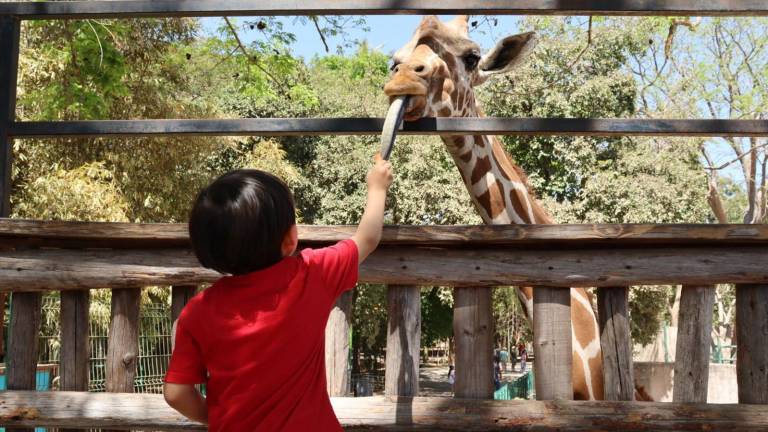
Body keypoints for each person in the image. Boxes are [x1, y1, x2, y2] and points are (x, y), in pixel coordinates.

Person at [163, 155, 393, 431]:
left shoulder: (197, 311)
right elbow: (367, 238)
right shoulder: (312, 274)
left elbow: (176, 393)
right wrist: (377, 187)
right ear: (290, 239)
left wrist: (219, 417)